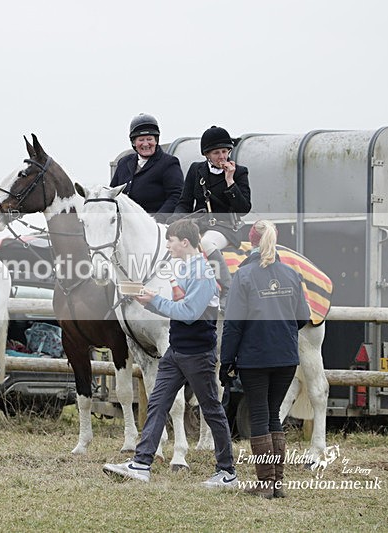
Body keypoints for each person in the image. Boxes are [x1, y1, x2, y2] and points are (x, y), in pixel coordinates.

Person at [102, 219, 237, 489]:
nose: (167, 245)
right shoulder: (185, 269)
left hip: (197, 354)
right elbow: (178, 305)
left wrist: (154, 301)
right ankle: (142, 463)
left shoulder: (203, 273)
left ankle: (227, 471)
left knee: (212, 409)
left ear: (184, 242)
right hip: (176, 351)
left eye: (171, 240)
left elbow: (189, 313)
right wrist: (150, 298)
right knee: (157, 404)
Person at [219, 220, 310, 499]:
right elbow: (303, 317)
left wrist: (226, 361)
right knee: (273, 415)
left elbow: (233, 324)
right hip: (285, 357)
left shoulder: (244, 275)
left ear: (251, 241)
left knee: (259, 414)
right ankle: (277, 482)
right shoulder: (291, 274)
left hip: (255, 356)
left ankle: (265, 482)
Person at [170, 126, 252, 308]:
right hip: (198, 225)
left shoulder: (240, 172)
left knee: (206, 243)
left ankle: (227, 288)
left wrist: (230, 181)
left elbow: (243, 208)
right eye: (216, 153)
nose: (222, 156)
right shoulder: (196, 170)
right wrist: (174, 221)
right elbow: (185, 202)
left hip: (226, 228)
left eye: (225, 151)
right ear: (207, 154)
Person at [110, 113, 184, 223]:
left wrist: (156, 220)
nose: (145, 144)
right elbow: (112, 193)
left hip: (154, 225)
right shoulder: (123, 163)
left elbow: (175, 196)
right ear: (134, 142)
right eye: (141, 140)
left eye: (149, 139)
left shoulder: (169, 163)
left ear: (156, 140)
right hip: (124, 225)